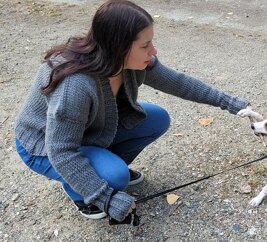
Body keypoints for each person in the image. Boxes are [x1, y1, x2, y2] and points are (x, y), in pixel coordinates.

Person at [14, 0, 253, 223]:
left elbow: (178, 83)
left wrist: (232, 103)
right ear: (117, 47)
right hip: (42, 146)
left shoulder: (127, 63)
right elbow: (62, 150)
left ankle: (101, 167)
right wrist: (104, 196)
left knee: (156, 118)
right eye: (145, 45)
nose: (154, 51)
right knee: (117, 178)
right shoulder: (75, 86)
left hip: (86, 132)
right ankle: (80, 191)